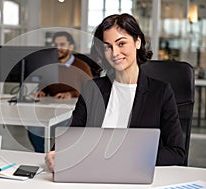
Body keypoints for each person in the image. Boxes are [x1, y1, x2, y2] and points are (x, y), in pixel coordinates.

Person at [45, 13, 185, 171]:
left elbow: (177, 152)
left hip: (135, 175)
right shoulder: (93, 89)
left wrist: (127, 158)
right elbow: (70, 136)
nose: (115, 53)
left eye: (121, 43)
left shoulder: (160, 92)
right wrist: (56, 153)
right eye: (107, 47)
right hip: (93, 173)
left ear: (137, 42)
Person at [28, 31, 93, 153]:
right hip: (50, 110)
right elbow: (45, 86)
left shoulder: (82, 66)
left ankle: (59, 157)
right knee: (34, 128)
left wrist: (71, 94)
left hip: (71, 112)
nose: (58, 48)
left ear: (71, 47)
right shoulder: (49, 65)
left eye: (62, 44)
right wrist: (41, 92)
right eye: (55, 44)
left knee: (63, 129)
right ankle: (42, 156)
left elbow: (91, 91)